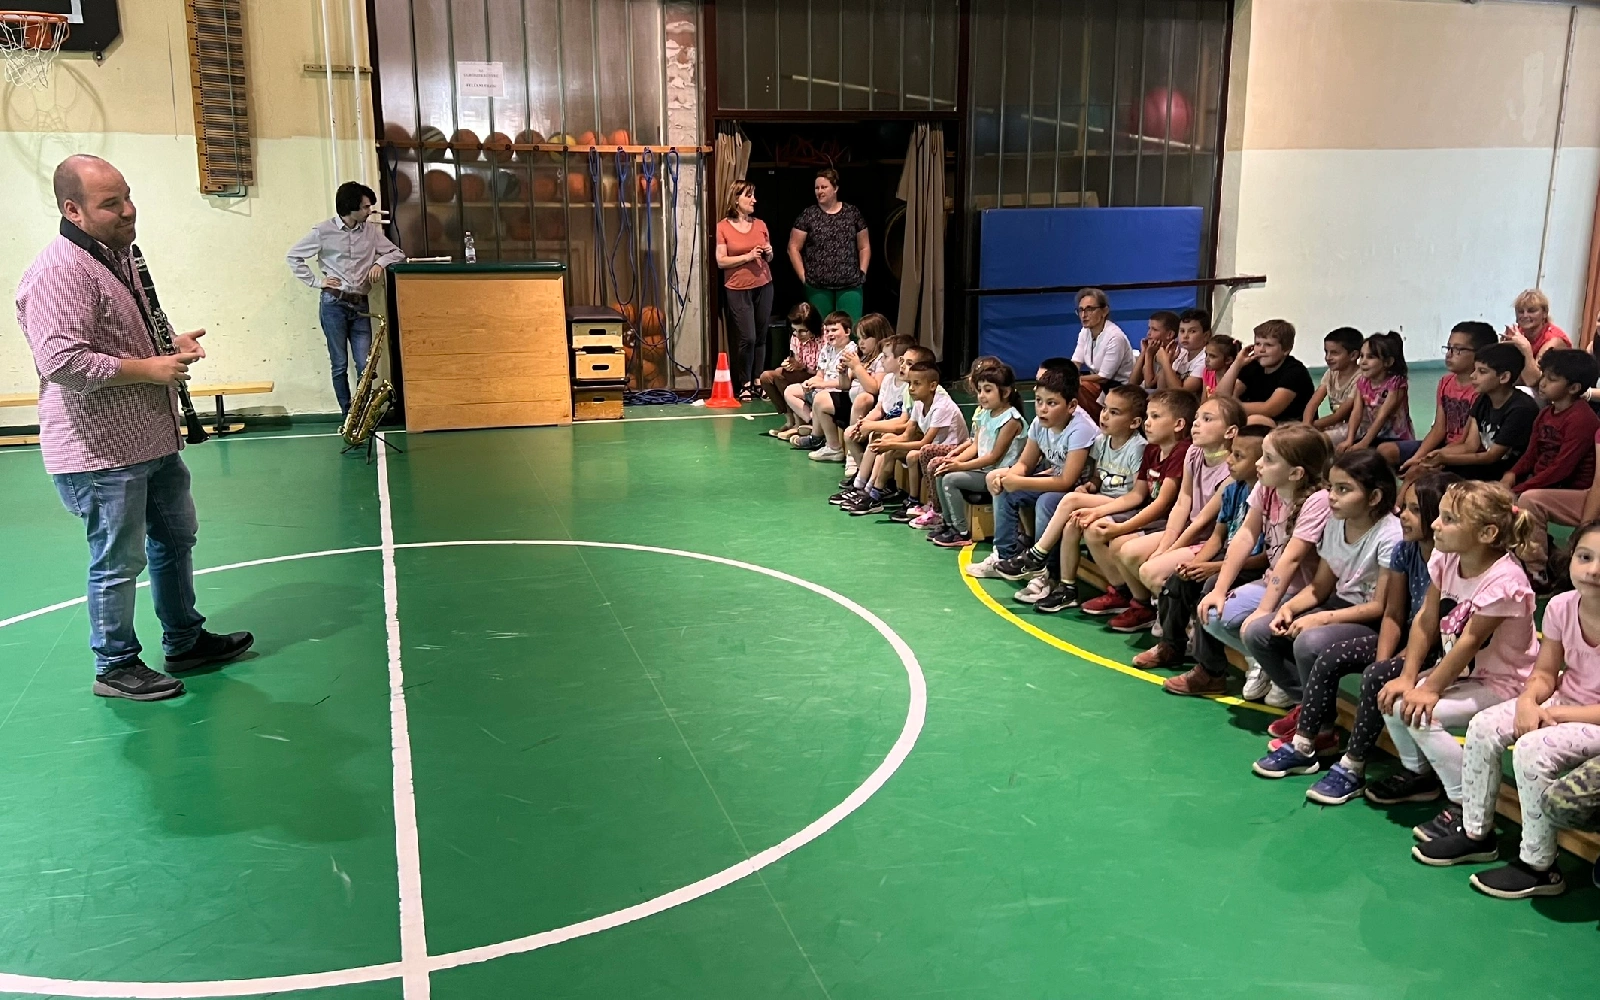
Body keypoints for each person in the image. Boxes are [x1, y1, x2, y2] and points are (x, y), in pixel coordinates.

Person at [17, 154, 253, 702]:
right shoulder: (61, 270)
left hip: (150, 438)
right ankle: (115, 665)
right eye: (111, 203)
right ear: (73, 210)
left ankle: (185, 639)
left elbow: (133, 324)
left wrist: (170, 342)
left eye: (127, 196)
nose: (128, 210)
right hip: (99, 451)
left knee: (175, 538)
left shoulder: (119, 254)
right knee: (118, 561)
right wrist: (149, 369)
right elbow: (62, 362)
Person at [1414, 519, 1600, 898]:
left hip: (1589, 718)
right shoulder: (1562, 606)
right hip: (1561, 704)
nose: (1594, 570)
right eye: (1585, 557)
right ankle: (1476, 834)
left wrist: (1555, 715)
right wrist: (1529, 701)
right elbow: (1545, 673)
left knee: (1532, 750)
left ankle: (1539, 865)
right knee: (1484, 726)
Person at [1376, 482, 1539, 842]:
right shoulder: (1447, 557)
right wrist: (1408, 676)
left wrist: (1431, 688)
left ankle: (1465, 801)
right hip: (1467, 674)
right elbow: (1426, 618)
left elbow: (1470, 641)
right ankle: (1420, 775)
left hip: (1505, 683)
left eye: (1449, 519)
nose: (1435, 524)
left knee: (1423, 715)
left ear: (1487, 534)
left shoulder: (1505, 581)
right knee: (1395, 700)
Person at [1292, 472, 1460, 805]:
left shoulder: (1450, 561)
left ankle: (1353, 766)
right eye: (1404, 507)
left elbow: (1437, 628)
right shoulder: (1405, 550)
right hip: (1408, 638)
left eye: (1415, 510)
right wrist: (1385, 659)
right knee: (1332, 658)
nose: (1403, 516)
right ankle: (1305, 743)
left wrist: (1391, 665)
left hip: (1438, 648)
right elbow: (1393, 614)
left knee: (1376, 675)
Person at [1247, 450, 1403, 777]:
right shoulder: (1335, 523)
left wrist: (1318, 618)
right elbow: (1320, 588)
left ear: (1374, 497)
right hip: (1338, 606)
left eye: (1344, 489)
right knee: (1259, 631)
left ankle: (1322, 730)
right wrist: (1290, 608)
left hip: (1371, 620)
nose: (1332, 496)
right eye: (1331, 487)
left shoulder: (1390, 535)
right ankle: (1309, 706)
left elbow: (1381, 607)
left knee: (1309, 642)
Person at [1167, 423, 1333, 698]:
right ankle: (1264, 662)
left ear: (1296, 473)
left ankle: (1284, 672)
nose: (1259, 463)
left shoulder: (1318, 501)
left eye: (1268, 458)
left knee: (1254, 627)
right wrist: (1219, 589)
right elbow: (1244, 535)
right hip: (1274, 583)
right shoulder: (1267, 488)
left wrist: (1262, 611)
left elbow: (1292, 559)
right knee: (1211, 614)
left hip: (1303, 591)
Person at [991, 385, 1149, 606]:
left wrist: (1097, 509)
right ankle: (1067, 588)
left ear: (1134, 422)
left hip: (1124, 505)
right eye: (1104, 408)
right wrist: (1090, 487)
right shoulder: (1102, 441)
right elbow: (1098, 476)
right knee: (1071, 525)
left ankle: (1037, 555)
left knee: (1070, 500)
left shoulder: (1138, 448)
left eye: (1114, 412)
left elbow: (1137, 496)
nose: (1104, 415)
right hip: (1103, 499)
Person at [1135, 426, 1268, 671]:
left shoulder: (1269, 499)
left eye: (1239, 456)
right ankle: (1170, 646)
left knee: (1209, 587)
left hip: (1252, 565)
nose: (1229, 460)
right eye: (1231, 452)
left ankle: (1209, 670)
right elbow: (1217, 538)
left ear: (1261, 462)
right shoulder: (1232, 490)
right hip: (1228, 556)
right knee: (1178, 578)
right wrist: (1196, 564)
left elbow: (1266, 557)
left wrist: (1213, 568)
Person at [1077, 390, 1200, 630]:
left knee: (1120, 545)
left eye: (1155, 416)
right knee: (1094, 530)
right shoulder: (1152, 449)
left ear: (1178, 424)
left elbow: (1162, 504)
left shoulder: (1183, 452)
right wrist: (1099, 513)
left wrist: (1120, 528)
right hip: (1152, 517)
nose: (1147, 422)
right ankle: (1130, 598)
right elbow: (1138, 494)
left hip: (1170, 522)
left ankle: (1148, 605)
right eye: (1147, 416)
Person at [966, 367, 1098, 580]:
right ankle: (1004, 557)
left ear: (1071, 405)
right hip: (1056, 479)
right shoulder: (1039, 423)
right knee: (1003, 487)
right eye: (1038, 401)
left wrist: (1020, 482)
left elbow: (1067, 481)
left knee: (1046, 502)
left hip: (1082, 489)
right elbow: (1025, 463)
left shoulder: (1081, 429)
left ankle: (1045, 574)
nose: (1042, 409)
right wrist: (1009, 477)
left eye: (1051, 403)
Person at [286, 181, 405, 416]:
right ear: (351, 208)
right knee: (339, 363)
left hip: (360, 304)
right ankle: (347, 413)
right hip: (333, 303)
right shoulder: (323, 231)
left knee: (365, 364)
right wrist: (317, 282)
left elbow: (397, 253)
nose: (370, 211)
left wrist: (379, 263)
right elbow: (293, 256)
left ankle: (363, 413)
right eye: (366, 206)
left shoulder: (371, 232)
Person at [1125, 395, 1244, 619]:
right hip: (1189, 530)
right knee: (1129, 552)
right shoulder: (1193, 452)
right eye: (1197, 417)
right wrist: (1165, 546)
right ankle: (1160, 609)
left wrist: (1169, 551)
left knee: (1151, 570)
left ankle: (1181, 618)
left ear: (1230, 432)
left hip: (1209, 541)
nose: (1196, 423)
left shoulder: (1231, 471)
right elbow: (1183, 502)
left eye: (1207, 419)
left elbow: (1203, 521)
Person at [1502, 348, 1600, 587]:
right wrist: (1511, 475)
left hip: (1578, 490)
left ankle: (1538, 572)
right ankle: (1533, 554)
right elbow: (1531, 454)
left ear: (1574, 388)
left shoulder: (1582, 419)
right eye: (1543, 376)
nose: (1542, 383)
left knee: (1529, 500)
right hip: (1549, 482)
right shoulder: (1546, 413)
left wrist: (1520, 488)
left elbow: (1561, 468)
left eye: (1552, 379)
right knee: (1502, 495)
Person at [841, 361, 967, 516]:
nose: (911, 388)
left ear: (932, 386)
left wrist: (891, 444)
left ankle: (915, 501)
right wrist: (887, 442)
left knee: (911, 455)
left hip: (953, 449)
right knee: (891, 446)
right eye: (910, 383)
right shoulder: (919, 403)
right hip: (931, 447)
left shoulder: (941, 407)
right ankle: (874, 495)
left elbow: (924, 443)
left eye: (917, 384)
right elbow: (907, 435)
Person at [926, 364, 1026, 547]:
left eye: (988, 390)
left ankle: (961, 532)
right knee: (941, 471)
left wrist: (960, 466)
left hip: (998, 474)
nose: (981, 395)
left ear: (1005, 392)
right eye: (980, 390)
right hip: (983, 470)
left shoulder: (1011, 420)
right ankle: (948, 523)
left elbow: (994, 457)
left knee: (951, 479)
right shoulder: (985, 414)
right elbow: (975, 446)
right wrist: (953, 461)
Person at [1415, 342, 1534, 483]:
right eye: (1474, 370)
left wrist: (1445, 458)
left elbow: (1492, 456)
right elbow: (1470, 445)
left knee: (1436, 480)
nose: (1473, 376)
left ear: (1504, 377)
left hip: (1506, 472)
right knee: (1419, 472)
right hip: (1484, 465)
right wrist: (1434, 456)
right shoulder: (1484, 399)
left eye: (1482, 372)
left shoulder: (1520, 409)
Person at [1396, 321, 1494, 480]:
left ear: (1479, 354)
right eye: (1448, 348)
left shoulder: (1481, 390)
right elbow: (1438, 429)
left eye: (1458, 350)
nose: (1449, 354)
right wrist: (1418, 456)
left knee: (1416, 473)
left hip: (1464, 455)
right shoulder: (1445, 382)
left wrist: (1427, 459)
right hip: (1445, 446)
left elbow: (1468, 445)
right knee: (1386, 451)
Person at [715, 180, 775, 399]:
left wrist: (769, 252)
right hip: (737, 288)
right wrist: (747, 257)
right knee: (747, 337)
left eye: (754, 195)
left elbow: (770, 257)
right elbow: (721, 261)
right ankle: (745, 382)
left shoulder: (760, 224)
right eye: (749, 196)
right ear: (736, 199)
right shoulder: (723, 227)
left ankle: (759, 381)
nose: (754, 200)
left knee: (761, 335)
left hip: (764, 284)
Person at [787, 168, 869, 322]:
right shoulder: (809, 215)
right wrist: (804, 278)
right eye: (817, 188)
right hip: (818, 286)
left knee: (850, 328)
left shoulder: (852, 213)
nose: (819, 191)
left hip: (850, 283)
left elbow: (864, 246)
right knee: (821, 328)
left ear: (835, 188)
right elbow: (793, 247)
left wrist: (862, 272)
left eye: (824, 187)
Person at [811, 312, 889, 463]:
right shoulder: (863, 356)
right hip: (851, 399)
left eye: (865, 338)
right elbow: (845, 385)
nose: (861, 342)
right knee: (821, 399)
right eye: (859, 338)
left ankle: (853, 453)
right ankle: (833, 448)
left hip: (868, 406)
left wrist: (857, 367)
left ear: (878, 337)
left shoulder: (881, 359)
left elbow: (874, 388)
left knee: (863, 398)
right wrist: (843, 372)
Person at [1214, 319, 1316, 428]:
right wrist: (1237, 363)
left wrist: (1228, 406)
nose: (1261, 350)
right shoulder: (1253, 365)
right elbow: (1220, 396)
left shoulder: (1295, 371)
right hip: (1261, 423)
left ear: (1286, 350)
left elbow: (1269, 409)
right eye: (1258, 344)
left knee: (1253, 420)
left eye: (1268, 345)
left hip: (1290, 428)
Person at [786, 311, 857, 451]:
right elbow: (820, 374)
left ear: (847, 332)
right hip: (822, 388)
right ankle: (812, 421)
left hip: (838, 393)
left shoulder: (851, 351)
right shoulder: (827, 349)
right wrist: (811, 382)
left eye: (834, 330)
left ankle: (816, 437)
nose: (830, 334)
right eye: (827, 331)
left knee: (820, 397)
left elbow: (845, 383)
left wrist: (821, 384)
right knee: (790, 391)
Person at [1341, 331, 1415, 459]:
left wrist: (1364, 443)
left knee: (1378, 453)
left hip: (1397, 438)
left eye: (1370, 357)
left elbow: (1382, 416)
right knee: (1345, 453)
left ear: (1388, 362)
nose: (1363, 362)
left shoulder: (1396, 383)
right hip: (1376, 436)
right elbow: (1356, 412)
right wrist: (1350, 439)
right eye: (1362, 356)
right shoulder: (1362, 382)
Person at [761, 302, 824, 440]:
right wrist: (791, 364)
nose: (798, 335)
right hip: (802, 373)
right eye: (795, 330)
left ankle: (798, 423)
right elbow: (797, 360)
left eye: (802, 331)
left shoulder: (823, 339)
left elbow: (822, 370)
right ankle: (789, 420)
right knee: (767, 377)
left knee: (780, 376)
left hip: (817, 377)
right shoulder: (795, 338)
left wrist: (802, 367)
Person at [1070, 288, 1136, 417]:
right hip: (1100, 385)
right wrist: (1065, 375)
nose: (1084, 315)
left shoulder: (1115, 337)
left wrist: (1074, 379)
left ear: (1104, 311)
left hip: (1121, 387)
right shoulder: (1084, 332)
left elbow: (1104, 377)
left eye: (1089, 309)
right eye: (1081, 310)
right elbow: (1076, 362)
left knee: (1079, 386)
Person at [1303, 327, 1363, 444]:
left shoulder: (1360, 378)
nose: (1328, 357)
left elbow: (1340, 415)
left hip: (1356, 428)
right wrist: (1306, 425)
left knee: (1315, 441)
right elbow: (1312, 403)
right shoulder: (1331, 373)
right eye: (1326, 352)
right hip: (1338, 425)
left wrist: (1312, 426)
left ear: (1353, 355)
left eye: (1334, 353)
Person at [1502, 287, 1570, 388]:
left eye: (1531, 311)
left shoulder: (1554, 340)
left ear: (1544, 313)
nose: (1525, 315)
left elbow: (1533, 381)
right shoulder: (1516, 333)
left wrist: (1524, 349)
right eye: (1521, 311)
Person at [1132, 311, 1187, 393]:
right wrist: (1143, 353)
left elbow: (1149, 385)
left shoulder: (1176, 355)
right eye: (1149, 328)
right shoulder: (1153, 350)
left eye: (1154, 329)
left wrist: (1149, 355)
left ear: (1170, 334)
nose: (1148, 333)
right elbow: (1132, 384)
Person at [1202, 334, 1240, 400]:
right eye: (1206, 354)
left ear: (1228, 360)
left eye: (1212, 356)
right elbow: (1204, 400)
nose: (1206, 359)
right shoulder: (1207, 372)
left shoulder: (1234, 381)